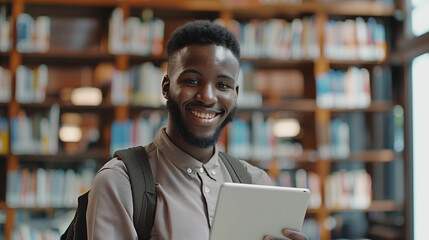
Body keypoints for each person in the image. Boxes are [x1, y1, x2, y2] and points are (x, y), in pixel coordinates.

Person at [86, 21, 307, 240]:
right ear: (166, 87)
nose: (208, 97)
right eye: (192, 81)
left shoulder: (256, 183)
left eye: (223, 85)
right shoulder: (120, 181)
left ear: (236, 93)